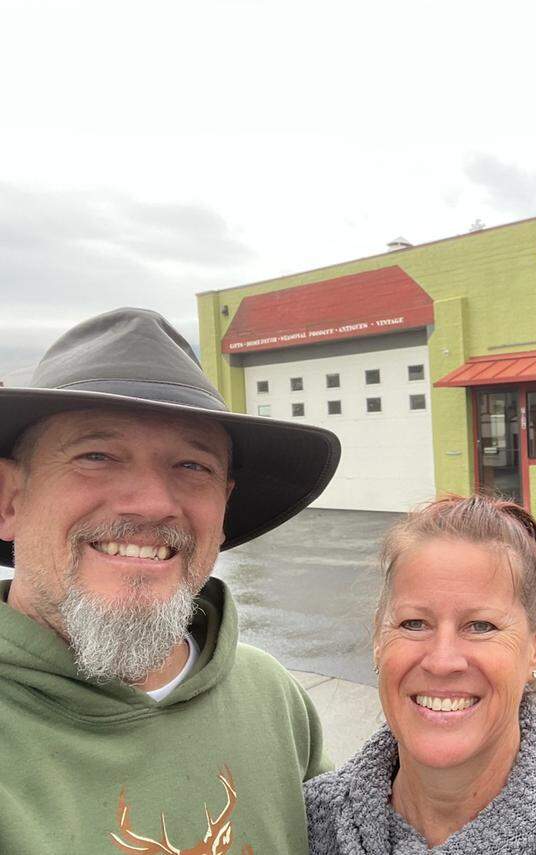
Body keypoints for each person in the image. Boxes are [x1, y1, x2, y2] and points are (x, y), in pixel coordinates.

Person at [0, 308, 342, 853]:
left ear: (223, 508)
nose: (154, 504)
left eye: (192, 466)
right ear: (9, 498)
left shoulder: (271, 697)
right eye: (97, 456)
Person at [304, 494, 536, 854]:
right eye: (414, 623)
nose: (442, 661)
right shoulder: (307, 827)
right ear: (378, 638)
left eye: (481, 626)